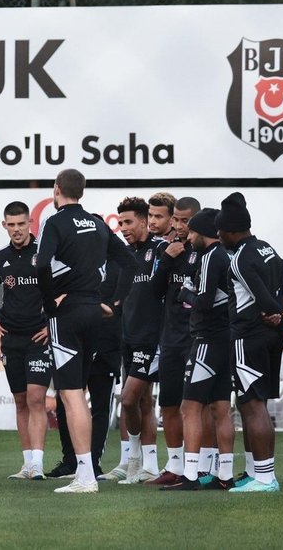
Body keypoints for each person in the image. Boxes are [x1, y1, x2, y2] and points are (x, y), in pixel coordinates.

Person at [35, 169, 136, 494]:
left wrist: (50, 303)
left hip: (68, 314)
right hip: (95, 314)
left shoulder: (55, 222)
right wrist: (113, 302)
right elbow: (130, 262)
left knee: (72, 394)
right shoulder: (97, 224)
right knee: (78, 394)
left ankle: (85, 476)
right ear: (82, 190)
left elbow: (41, 264)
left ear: (56, 189)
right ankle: (86, 470)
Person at [216, 192, 283, 493]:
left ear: (231, 230)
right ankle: (254, 472)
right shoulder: (267, 248)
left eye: (220, 231)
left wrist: (275, 317)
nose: (219, 236)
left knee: (252, 405)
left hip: (248, 336)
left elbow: (263, 298)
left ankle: (264, 478)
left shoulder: (239, 260)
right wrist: (280, 321)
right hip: (269, 336)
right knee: (254, 403)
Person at [162, 209, 237, 491]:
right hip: (225, 339)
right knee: (220, 408)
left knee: (190, 407)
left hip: (207, 340)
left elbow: (204, 302)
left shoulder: (209, 257)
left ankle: (191, 475)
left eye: (192, 231)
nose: (189, 236)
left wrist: (185, 292)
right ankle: (225, 475)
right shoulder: (225, 256)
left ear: (203, 232)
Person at [0, 201, 51, 480]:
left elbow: (63, 290)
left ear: (30, 223)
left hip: (38, 338)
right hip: (11, 339)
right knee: (21, 400)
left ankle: (38, 464)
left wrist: (50, 324)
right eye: (11, 225)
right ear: (4, 226)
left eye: (21, 224)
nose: (16, 230)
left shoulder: (45, 254)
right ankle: (27, 463)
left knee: (36, 398)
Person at [145, 195, 201, 485]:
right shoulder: (165, 251)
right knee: (168, 403)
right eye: (176, 220)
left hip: (197, 339)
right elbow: (154, 292)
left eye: (184, 220)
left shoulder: (205, 252)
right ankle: (175, 466)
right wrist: (167, 259)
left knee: (197, 406)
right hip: (170, 339)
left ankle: (204, 466)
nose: (179, 226)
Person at [114, 196, 165, 485]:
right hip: (128, 336)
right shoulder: (124, 255)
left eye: (129, 222)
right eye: (120, 222)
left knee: (128, 398)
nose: (123, 228)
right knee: (143, 401)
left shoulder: (160, 250)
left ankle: (134, 460)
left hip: (151, 339)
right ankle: (148, 466)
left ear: (144, 221)